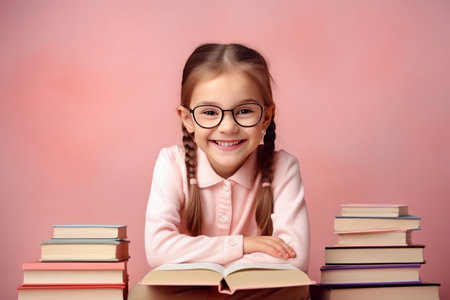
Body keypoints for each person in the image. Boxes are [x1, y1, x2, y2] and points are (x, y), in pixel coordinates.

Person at [128, 43, 310, 299]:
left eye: (244, 111)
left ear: (266, 117)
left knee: (296, 289)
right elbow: (158, 249)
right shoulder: (171, 163)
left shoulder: (284, 167)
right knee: (143, 295)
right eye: (210, 112)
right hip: (190, 292)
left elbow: (295, 257)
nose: (227, 127)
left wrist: (225, 277)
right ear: (187, 118)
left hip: (253, 292)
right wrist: (243, 246)